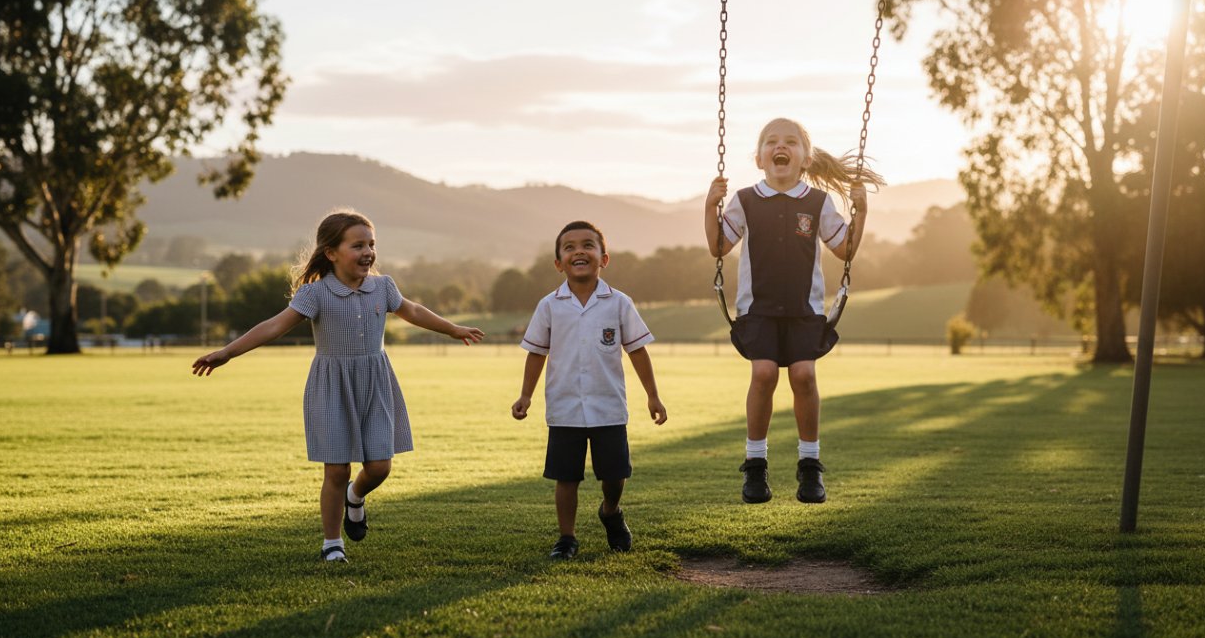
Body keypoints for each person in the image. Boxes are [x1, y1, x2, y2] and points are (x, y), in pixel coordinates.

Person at [192, 210, 484, 562]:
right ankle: (332, 544)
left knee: (380, 466)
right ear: (331, 252)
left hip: (376, 382)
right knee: (336, 468)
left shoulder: (384, 287)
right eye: (357, 245)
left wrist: (453, 328)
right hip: (332, 386)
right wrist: (227, 352)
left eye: (371, 244)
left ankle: (355, 497)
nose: (368, 252)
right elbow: (273, 326)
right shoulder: (316, 294)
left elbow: (415, 311)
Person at [704, 117, 884, 506]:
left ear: (805, 158)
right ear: (759, 158)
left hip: (804, 310)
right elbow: (719, 246)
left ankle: (810, 465)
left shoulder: (818, 202)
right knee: (764, 373)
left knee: (803, 375)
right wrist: (710, 205)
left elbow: (845, 250)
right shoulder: (745, 200)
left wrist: (862, 212)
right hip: (758, 309)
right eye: (770, 141)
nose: (779, 146)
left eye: (790, 142)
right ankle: (755, 465)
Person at [511, 221, 668, 560]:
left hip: (608, 405)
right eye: (569, 247)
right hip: (564, 406)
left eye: (587, 245)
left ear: (603, 258)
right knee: (565, 476)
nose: (578, 251)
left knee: (614, 474)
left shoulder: (619, 303)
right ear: (558, 263)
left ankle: (610, 511)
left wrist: (652, 395)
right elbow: (537, 353)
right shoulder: (549, 306)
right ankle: (566, 538)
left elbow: (637, 350)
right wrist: (526, 395)